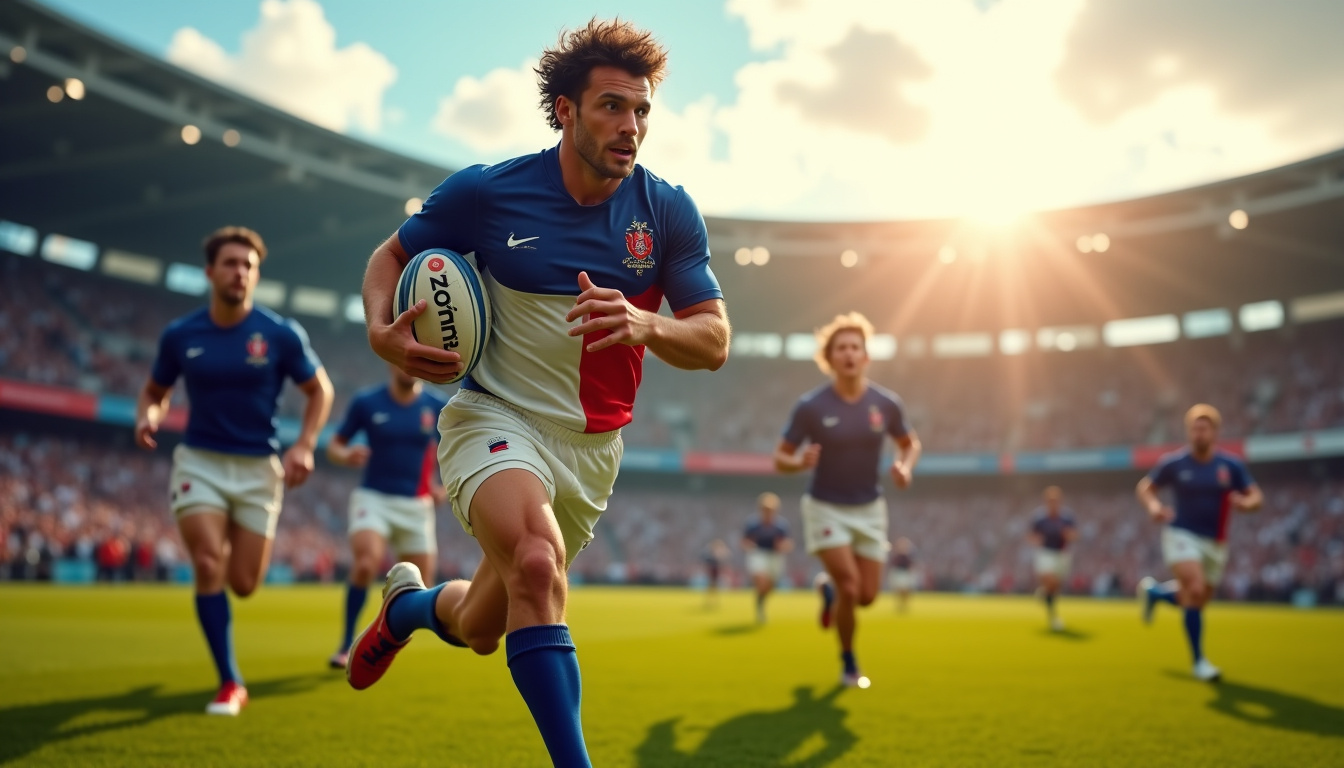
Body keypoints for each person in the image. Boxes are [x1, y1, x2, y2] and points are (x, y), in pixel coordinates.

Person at [346, 20, 730, 767]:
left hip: (590, 452)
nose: (632, 127)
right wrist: (376, 327)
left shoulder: (667, 212)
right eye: (612, 107)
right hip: (494, 415)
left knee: (484, 624)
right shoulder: (489, 193)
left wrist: (645, 322)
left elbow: (714, 342)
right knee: (533, 562)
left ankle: (409, 608)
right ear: (565, 110)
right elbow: (391, 256)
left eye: (642, 110)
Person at [134, 226, 333, 715]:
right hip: (199, 462)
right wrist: (148, 416)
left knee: (243, 583)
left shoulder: (280, 333)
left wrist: (305, 444)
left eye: (248, 265)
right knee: (206, 563)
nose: (239, 272)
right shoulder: (181, 335)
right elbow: (154, 392)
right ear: (210, 272)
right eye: (230, 263)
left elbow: (319, 390)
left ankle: (224, 616)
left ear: (256, 275)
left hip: (258, 470)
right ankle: (229, 681)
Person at [774, 312, 921, 688]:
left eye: (856, 347)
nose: (850, 354)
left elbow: (909, 443)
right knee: (852, 588)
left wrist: (904, 467)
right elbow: (780, 457)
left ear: (866, 356)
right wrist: (797, 462)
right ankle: (849, 663)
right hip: (825, 506)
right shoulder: (811, 406)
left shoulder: (886, 404)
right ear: (830, 358)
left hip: (870, 508)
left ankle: (827, 590)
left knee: (868, 597)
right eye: (841, 348)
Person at [325, 365, 449, 669]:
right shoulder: (367, 402)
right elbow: (334, 445)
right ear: (391, 362)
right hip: (374, 498)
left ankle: (385, 632)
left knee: (422, 587)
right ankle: (345, 644)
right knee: (366, 563)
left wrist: (444, 487)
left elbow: (458, 450)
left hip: (416, 505)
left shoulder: (437, 406)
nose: (408, 367)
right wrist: (344, 455)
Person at [1136, 404, 1262, 682]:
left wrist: (1247, 503)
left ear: (1215, 432)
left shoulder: (1230, 466)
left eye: (1203, 428)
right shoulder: (1175, 463)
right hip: (1181, 534)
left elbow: (1256, 496)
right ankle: (1199, 662)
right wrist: (1154, 507)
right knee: (1193, 589)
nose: (1198, 433)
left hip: (1216, 543)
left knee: (1196, 600)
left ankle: (1156, 594)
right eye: (1194, 428)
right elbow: (1146, 487)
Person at [1029, 486, 1077, 631]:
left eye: (1055, 500)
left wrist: (1068, 535)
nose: (1053, 503)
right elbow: (1031, 535)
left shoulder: (1067, 517)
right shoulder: (1039, 518)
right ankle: (1053, 616)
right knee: (1050, 579)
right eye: (1050, 500)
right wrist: (1036, 540)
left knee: (1055, 588)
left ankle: (1044, 593)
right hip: (1046, 553)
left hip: (1062, 554)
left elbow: (1074, 535)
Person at [741, 492, 793, 623]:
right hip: (759, 553)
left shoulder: (781, 526)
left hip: (775, 556)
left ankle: (761, 600)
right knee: (761, 579)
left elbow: (788, 544)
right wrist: (750, 545)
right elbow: (744, 542)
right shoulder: (753, 524)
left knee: (770, 586)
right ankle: (760, 603)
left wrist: (782, 546)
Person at [888, 537, 916, 612]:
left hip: (905, 574)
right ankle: (900, 605)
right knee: (899, 591)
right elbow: (893, 565)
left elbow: (910, 566)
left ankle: (904, 605)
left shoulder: (908, 557)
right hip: (898, 574)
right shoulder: (897, 556)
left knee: (906, 591)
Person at [703, 538, 729, 609]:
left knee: (713, 586)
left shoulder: (717, 552)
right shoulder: (711, 553)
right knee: (712, 586)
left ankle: (712, 601)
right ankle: (711, 601)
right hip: (713, 570)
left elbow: (725, 557)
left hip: (716, 570)